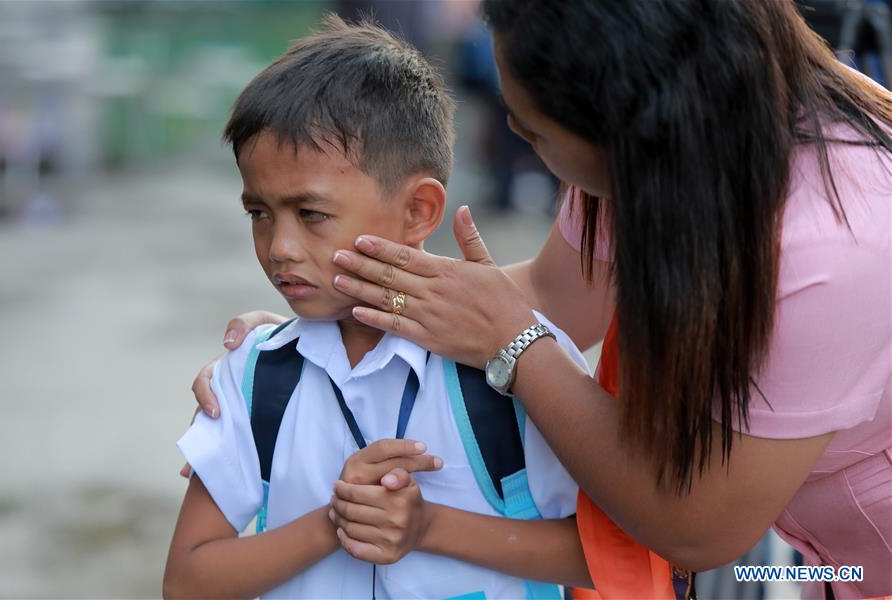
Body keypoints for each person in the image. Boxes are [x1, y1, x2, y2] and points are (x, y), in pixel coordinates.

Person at [192, 1, 892, 598]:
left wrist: (516, 344)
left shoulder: (842, 238)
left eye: (534, 134)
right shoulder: (684, 143)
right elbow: (556, 295)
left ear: (632, 128)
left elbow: (692, 532)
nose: (522, 144)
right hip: (835, 564)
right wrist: (297, 339)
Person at [164, 15, 595, 599]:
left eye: (311, 215)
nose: (279, 248)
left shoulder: (518, 365)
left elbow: (605, 555)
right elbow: (188, 582)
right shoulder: (252, 377)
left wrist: (427, 527)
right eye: (258, 213)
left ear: (418, 211)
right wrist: (333, 522)